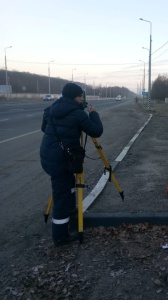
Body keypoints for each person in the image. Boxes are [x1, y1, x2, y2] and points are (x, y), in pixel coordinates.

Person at [40, 83, 103, 246]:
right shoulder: (77, 114)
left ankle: (70, 210)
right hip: (62, 159)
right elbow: (97, 131)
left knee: (67, 184)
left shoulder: (50, 109)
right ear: (75, 97)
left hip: (48, 155)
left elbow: (43, 128)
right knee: (60, 196)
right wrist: (93, 115)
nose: (82, 99)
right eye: (81, 96)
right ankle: (60, 236)